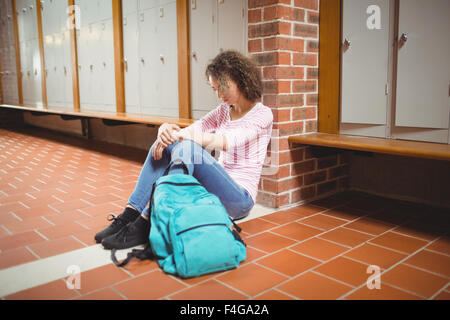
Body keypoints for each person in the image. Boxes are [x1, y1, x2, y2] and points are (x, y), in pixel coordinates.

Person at [95, 50, 273, 250]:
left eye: (222, 88)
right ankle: (130, 214)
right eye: (215, 89)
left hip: (239, 199)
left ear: (241, 80)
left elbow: (227, 141)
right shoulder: (224, 111)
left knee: (187, 147)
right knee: (167, 144)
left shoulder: (263, 114)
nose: (219, 95)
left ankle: (148, 220)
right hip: (213, 192)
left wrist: (180, 136)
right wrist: (166, 131)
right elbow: (193, 130)